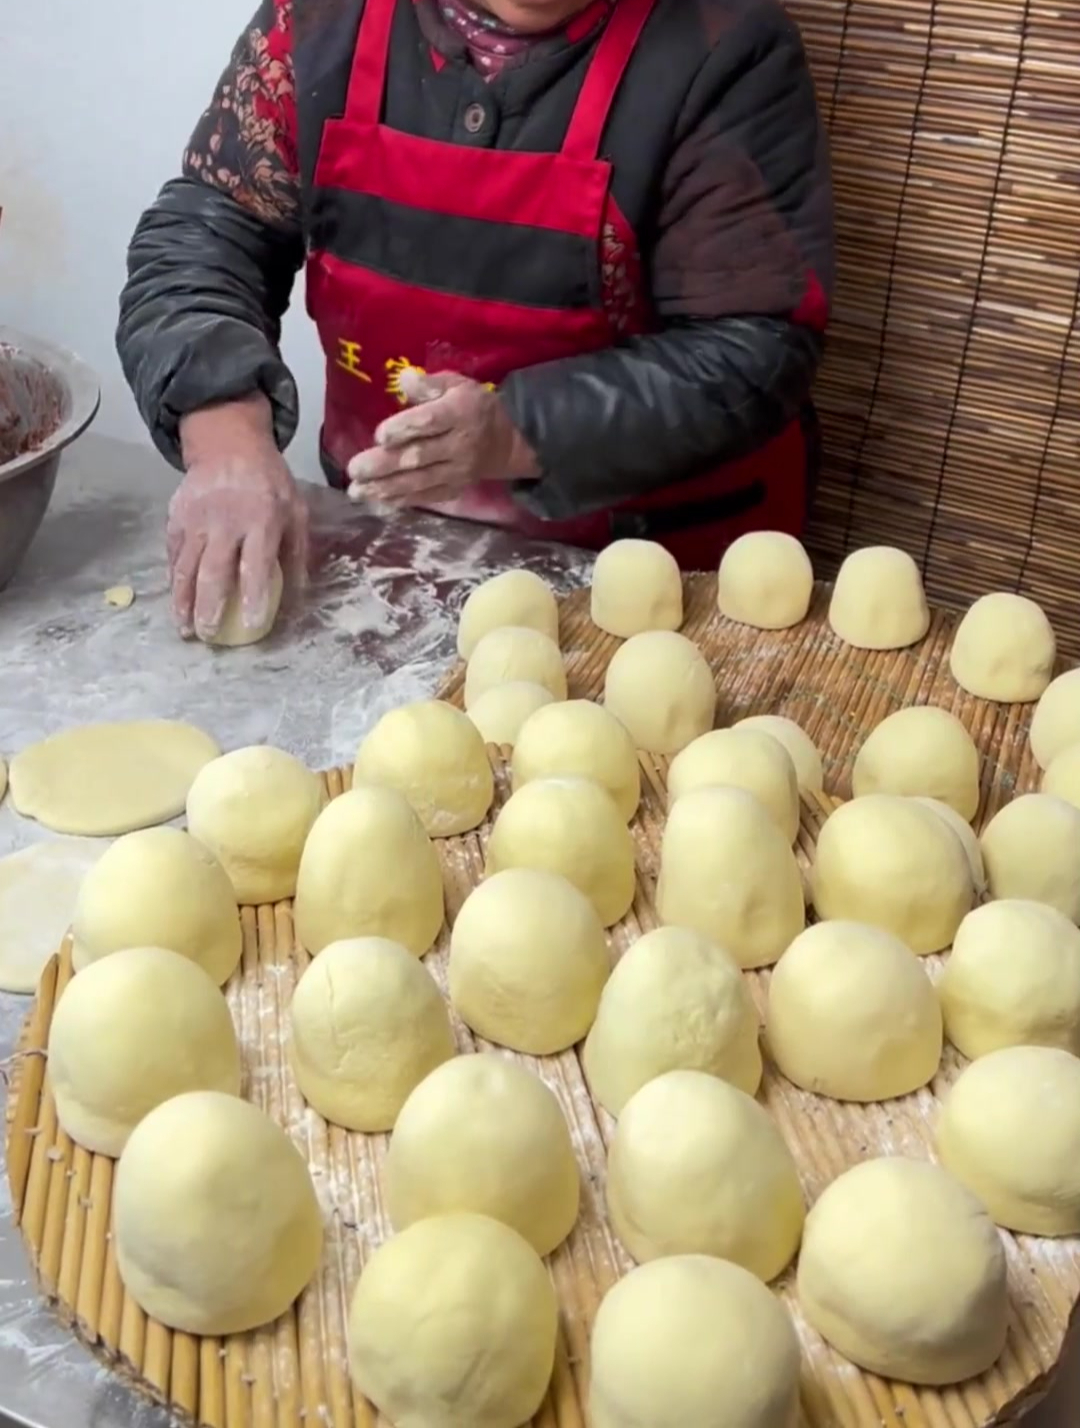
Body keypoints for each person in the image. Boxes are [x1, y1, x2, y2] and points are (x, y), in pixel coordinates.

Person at [118, 0, 834, 642]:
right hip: (386, 562)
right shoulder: (316, 21)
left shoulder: (723, 45)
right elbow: (208, 234)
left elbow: (755, 347)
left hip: (651, 593)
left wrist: (520, 432)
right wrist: (225, 438)